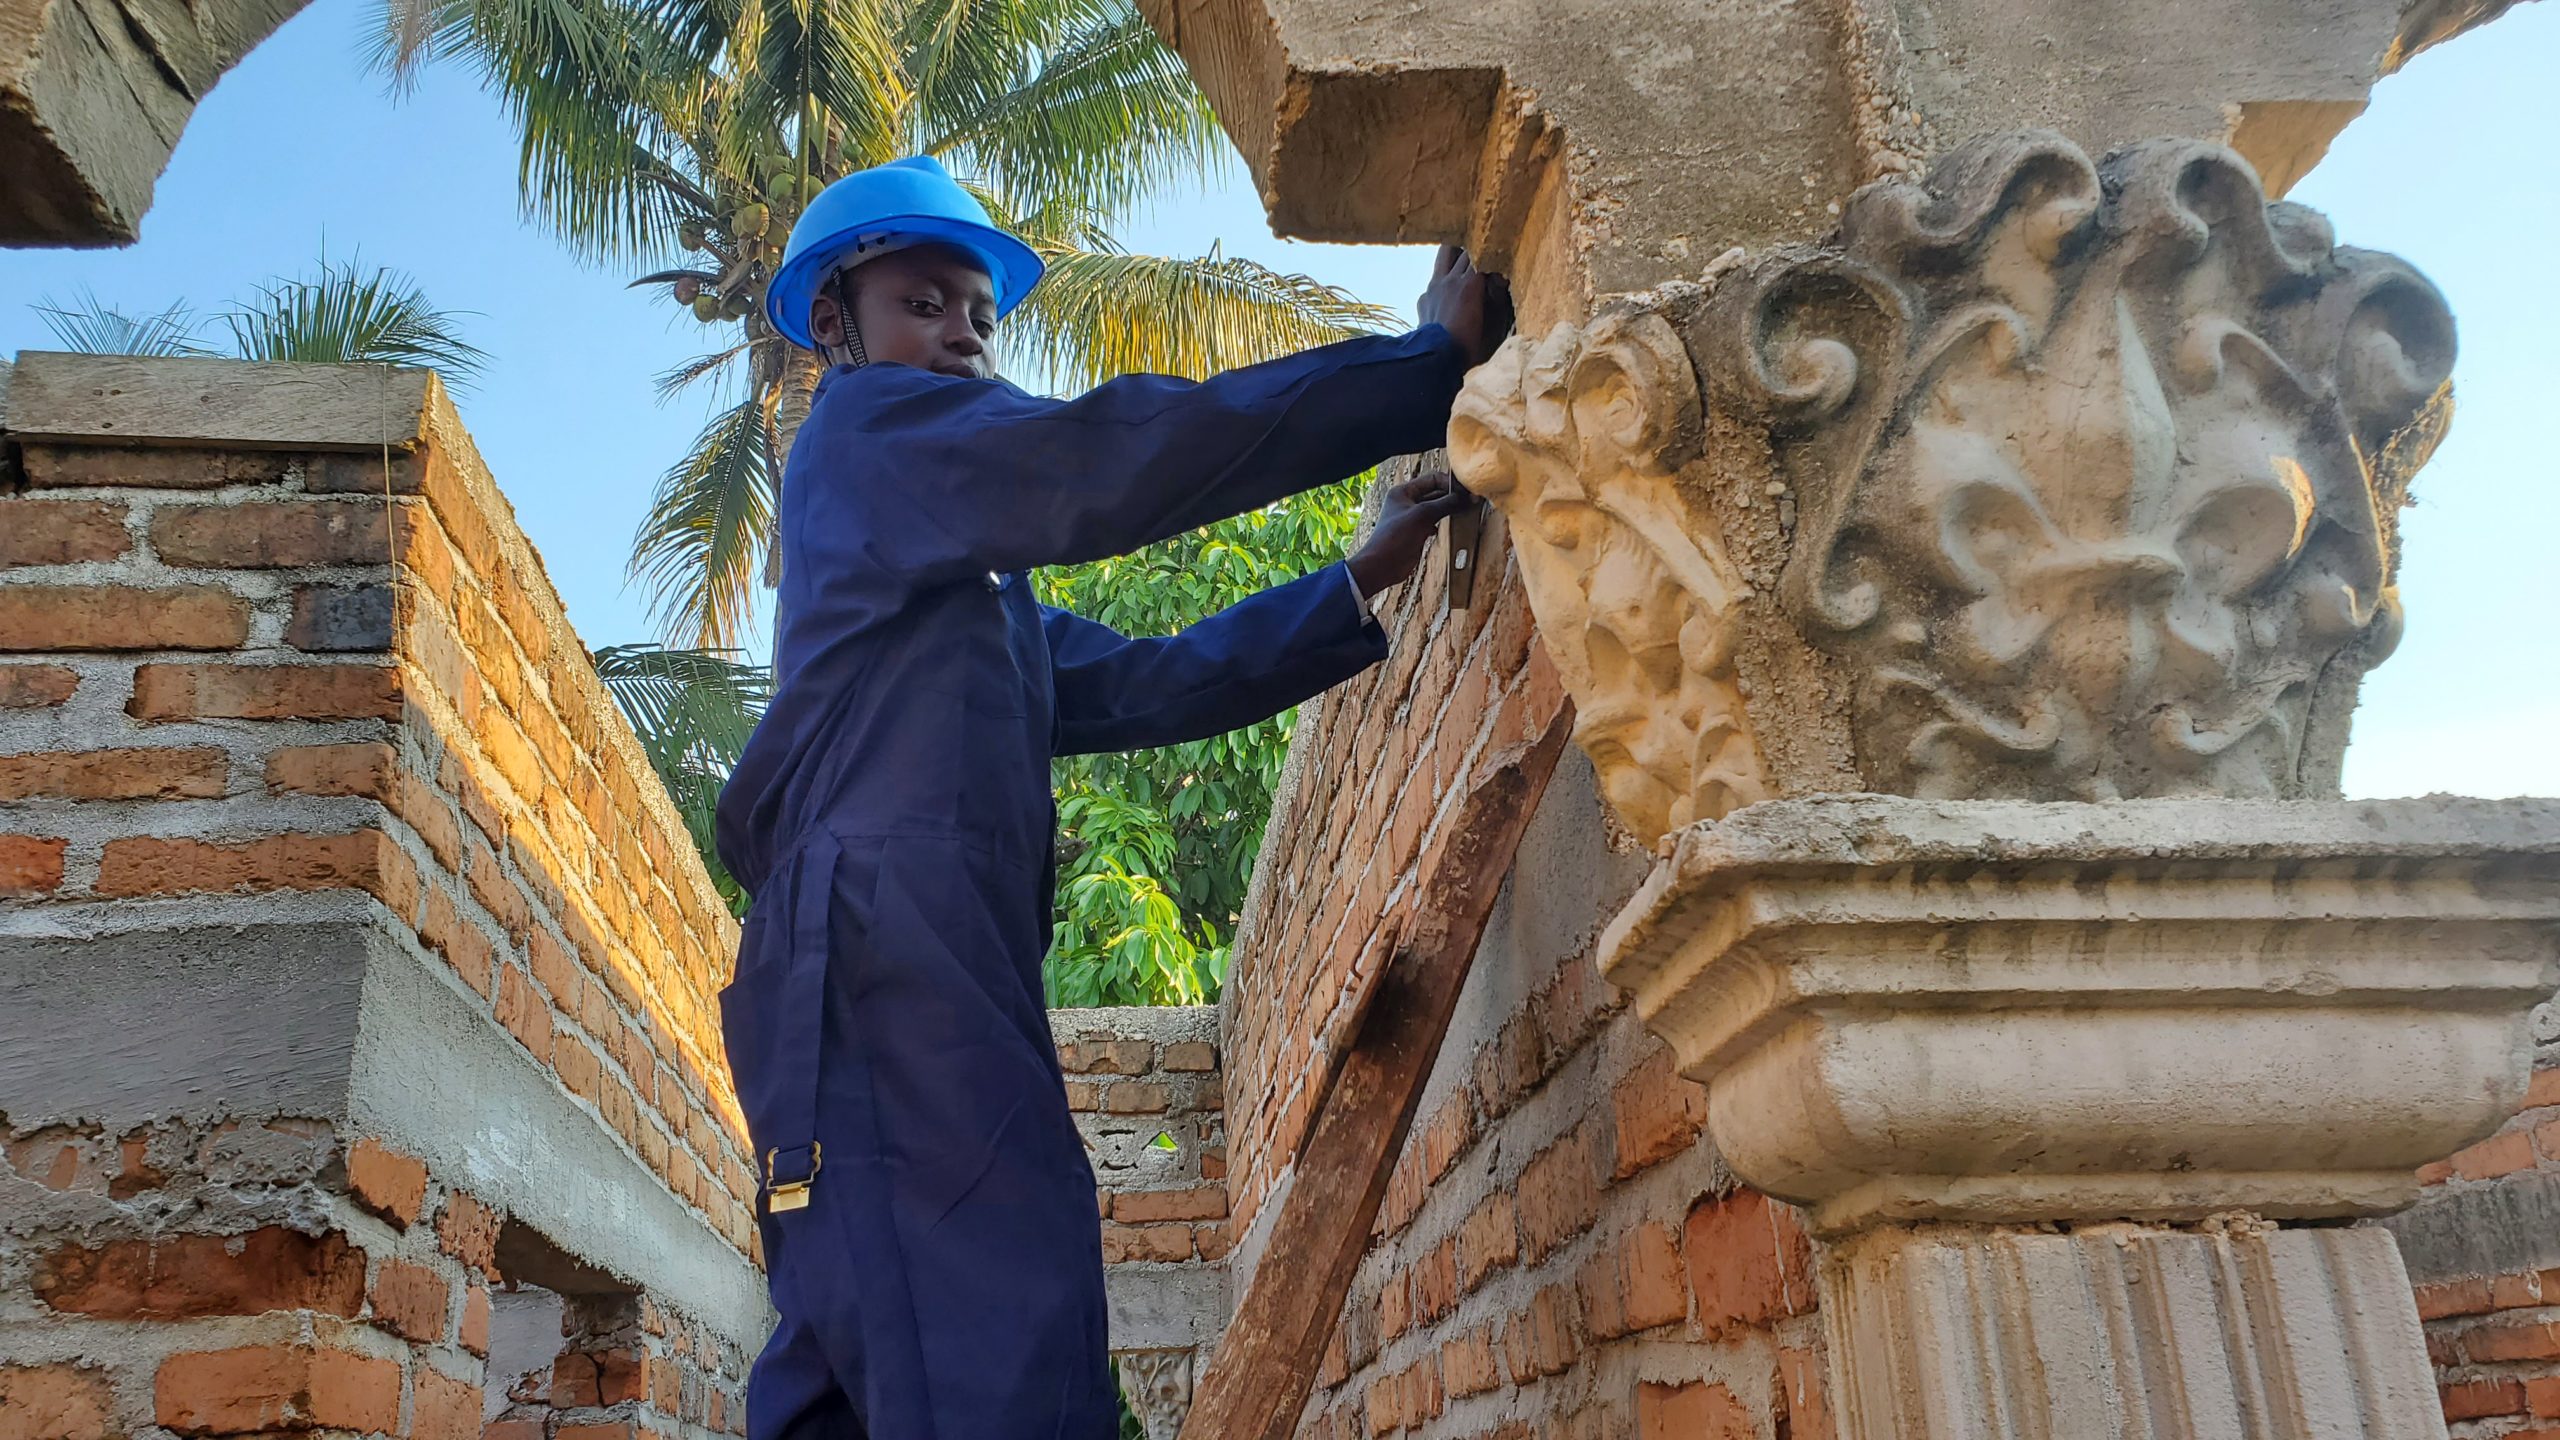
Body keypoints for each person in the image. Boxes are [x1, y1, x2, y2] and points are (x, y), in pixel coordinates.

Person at [713, 154, 1512, 1439]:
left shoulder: (972, 601)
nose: (964, 334)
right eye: (925, 302)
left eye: (979, 312)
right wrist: (1414, 371)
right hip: (879, 933)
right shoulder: (865, 436)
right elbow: (1110, 455)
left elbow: (1151, 684)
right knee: (998, 1322)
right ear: (837, 326)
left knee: (869, 1343)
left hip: (913, 947)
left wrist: (1353, 584)